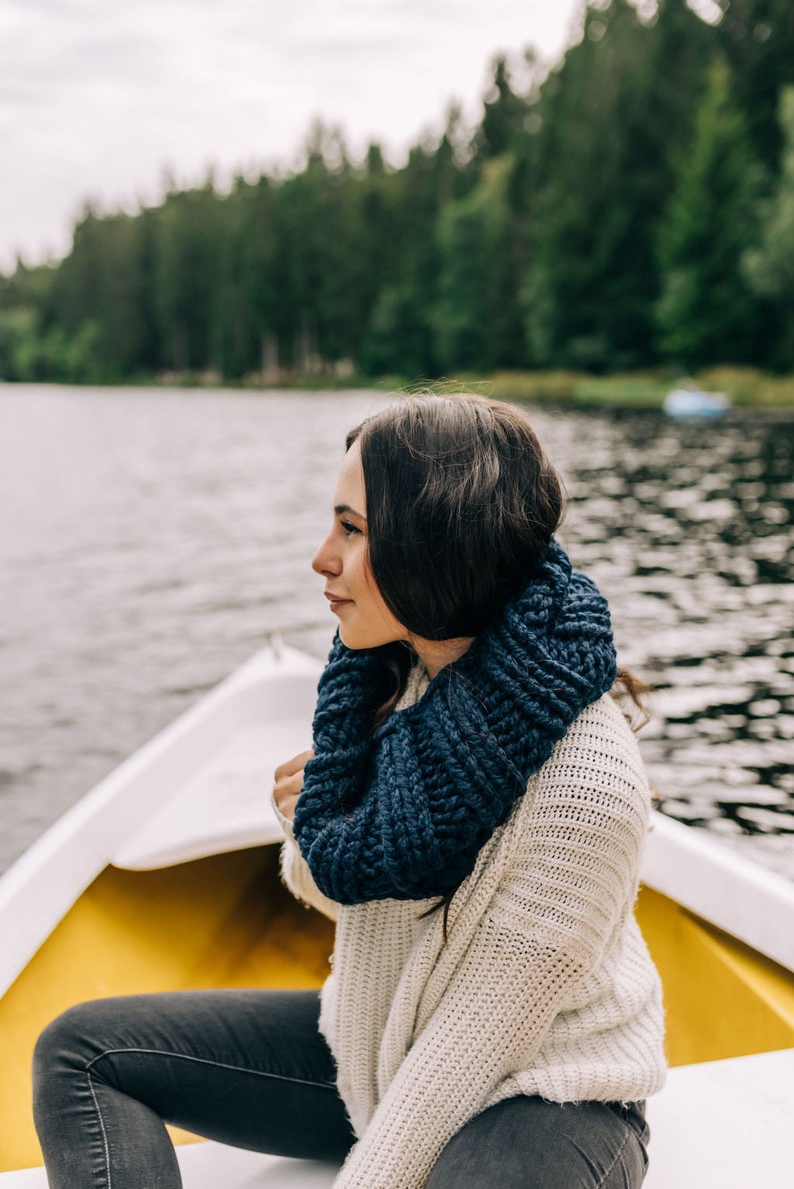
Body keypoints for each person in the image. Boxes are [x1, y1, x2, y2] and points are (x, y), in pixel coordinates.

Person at [33, 393, 666, 1188]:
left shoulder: (588, 784)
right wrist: (310, 826)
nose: (321, 557)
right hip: (378, 1045)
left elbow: (469, 1047)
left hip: (543, 1089)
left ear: (437, 543)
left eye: (353, 529)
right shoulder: (388, 676)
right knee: (81, 1052)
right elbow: (346, 897)